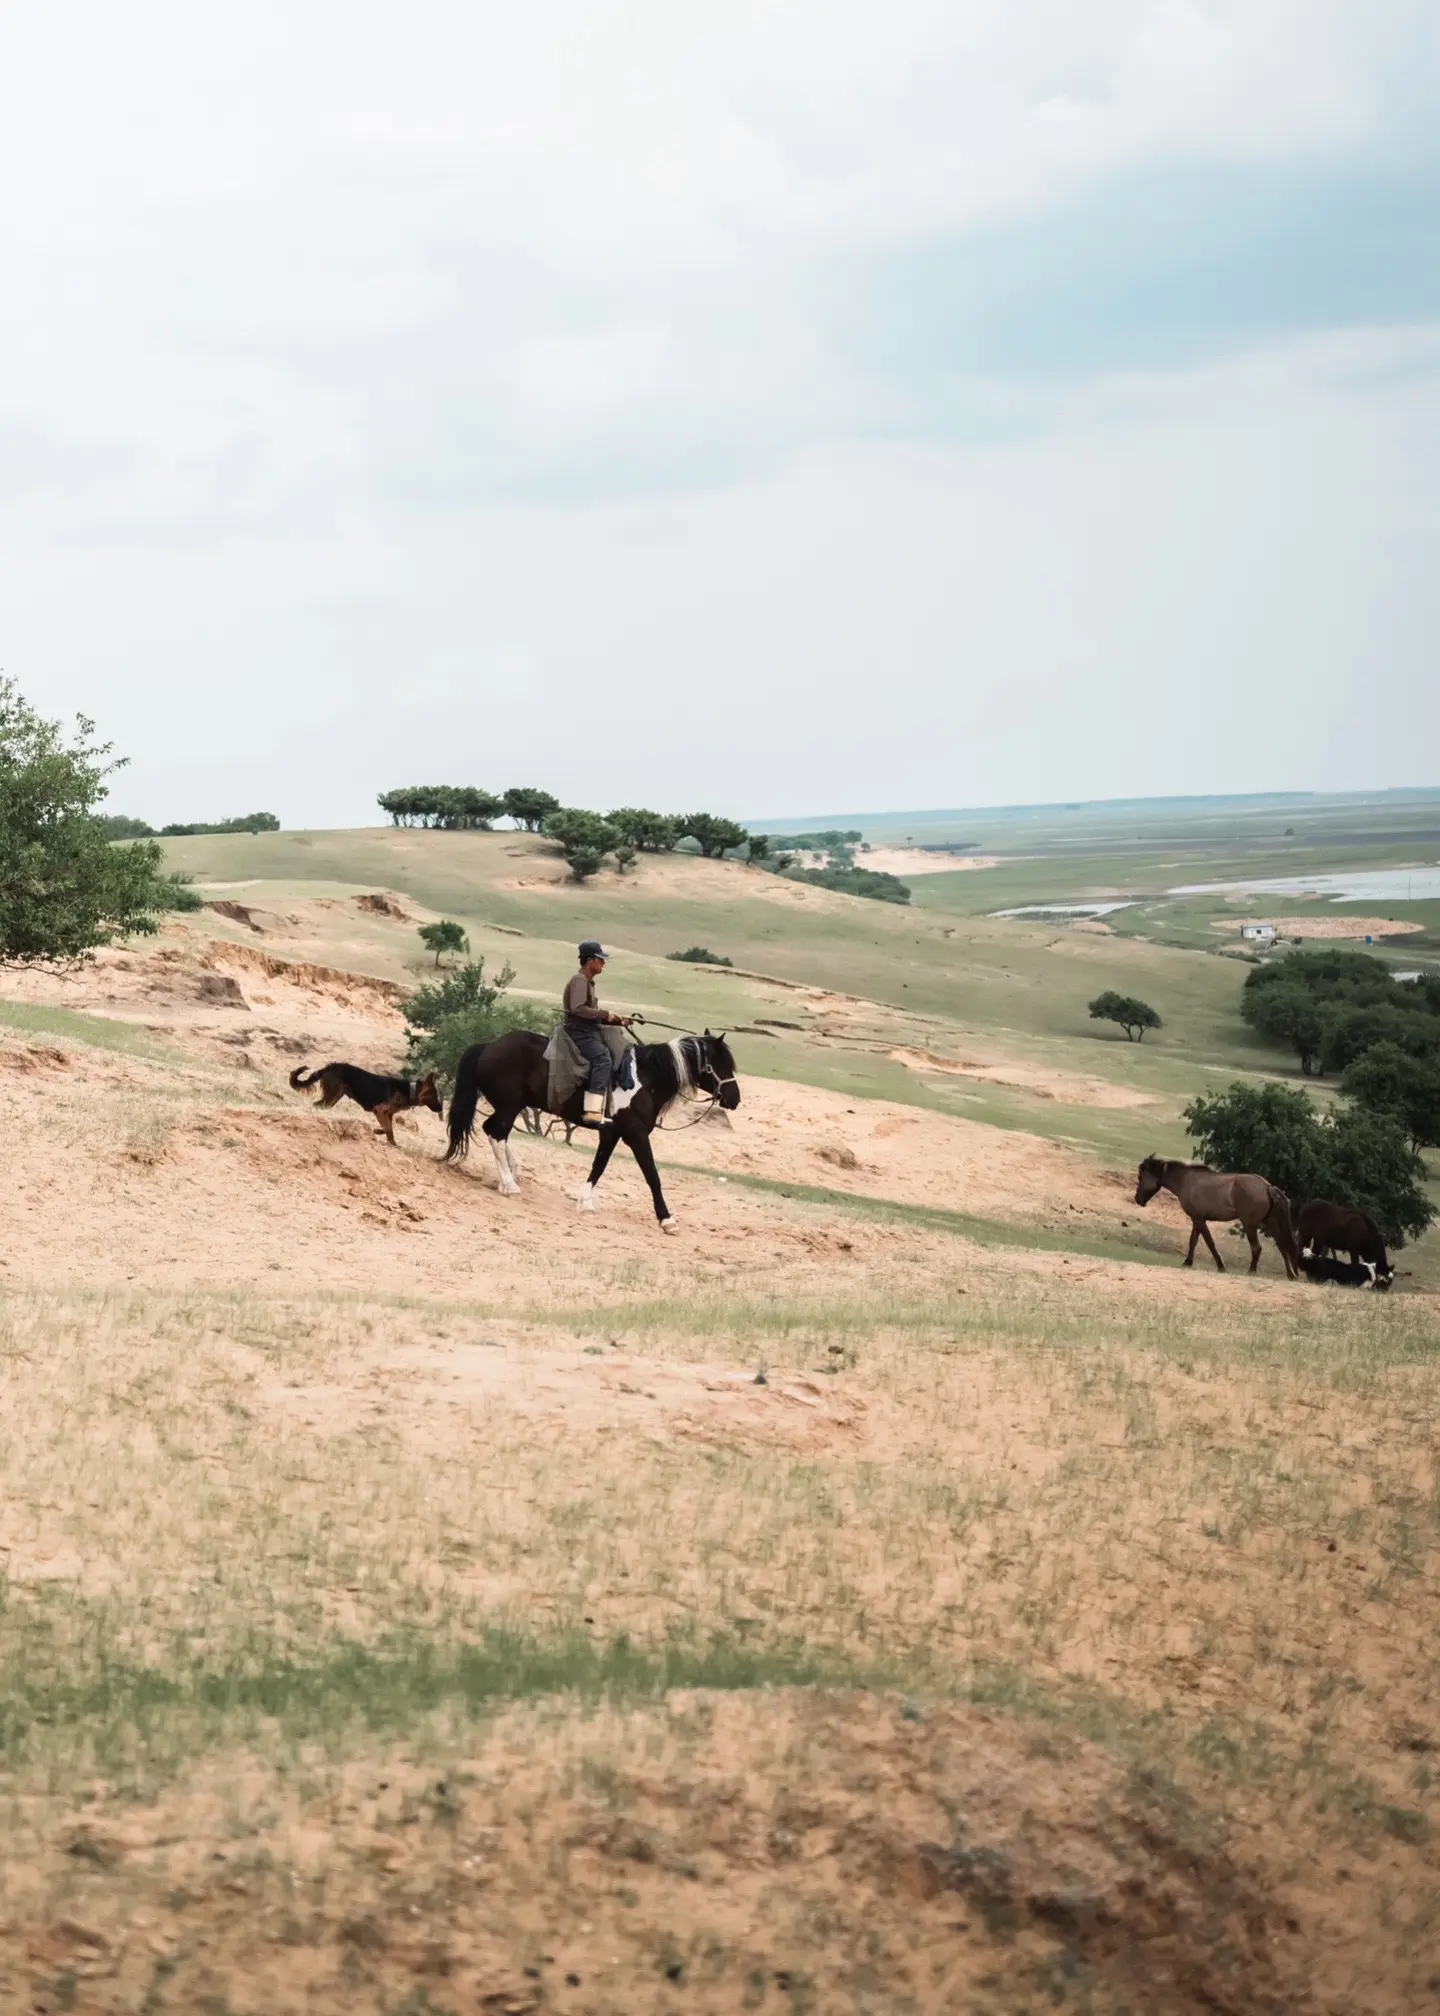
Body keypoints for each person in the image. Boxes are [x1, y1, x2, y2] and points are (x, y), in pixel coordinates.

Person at [563, 940, 631, 1124]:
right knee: (603, 1058)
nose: (603, 963)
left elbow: (590, 1013)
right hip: (579, 1033)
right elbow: (578, 1009)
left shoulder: (587, 982)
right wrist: (605, 1014)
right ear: (590, 960)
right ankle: (593, 1111)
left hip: (588, 1031)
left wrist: (618, 1020)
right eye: (600, 959)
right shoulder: (579, 981)